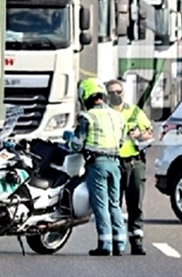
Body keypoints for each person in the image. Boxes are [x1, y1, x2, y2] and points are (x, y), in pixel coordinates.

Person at [66, 79, 127, 256]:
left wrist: (70, 140)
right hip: (115, 164)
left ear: (85, 96)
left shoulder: (87, 117)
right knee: (114, 204)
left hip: (97, 165)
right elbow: (121, 141)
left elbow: (76, 145)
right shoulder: (117, 116)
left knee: (100, 205)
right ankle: (120, 244)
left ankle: (105, 245)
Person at [106, 79, 151, 256]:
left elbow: (149, 133)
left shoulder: (134, 111)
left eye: (119, 91)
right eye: (111, 93)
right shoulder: (105, 113)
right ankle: (115, 242)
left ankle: (137, 242)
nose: (116, 95)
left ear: (124, 92)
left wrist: (140, 134)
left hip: (134, 162)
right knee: (114, 205)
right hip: (113, 163)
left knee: (135, 205)